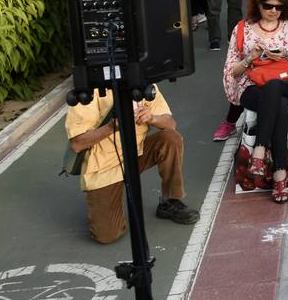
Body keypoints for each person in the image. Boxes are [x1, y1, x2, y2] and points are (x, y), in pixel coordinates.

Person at [65, 84, 199, 243]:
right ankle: (106, 208)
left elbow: (171, 124)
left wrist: (152, 118)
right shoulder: (89, 91)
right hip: (104, 167)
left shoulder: (141, 82)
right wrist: (111, 127)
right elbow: (77, 143)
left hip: (136, 154)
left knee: (170, 138)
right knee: (107, 235)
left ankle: (169, 201)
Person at [221, 0, 288, 204]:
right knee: (279, 104)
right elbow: (231, 70)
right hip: (252, 87)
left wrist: (286, 55)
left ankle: (259, 153)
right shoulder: (242, 28)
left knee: (274, 87)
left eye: (278, 7)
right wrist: (250, 58)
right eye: (268, 6)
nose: (273, 11)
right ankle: (280, 175)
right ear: (258, 5)